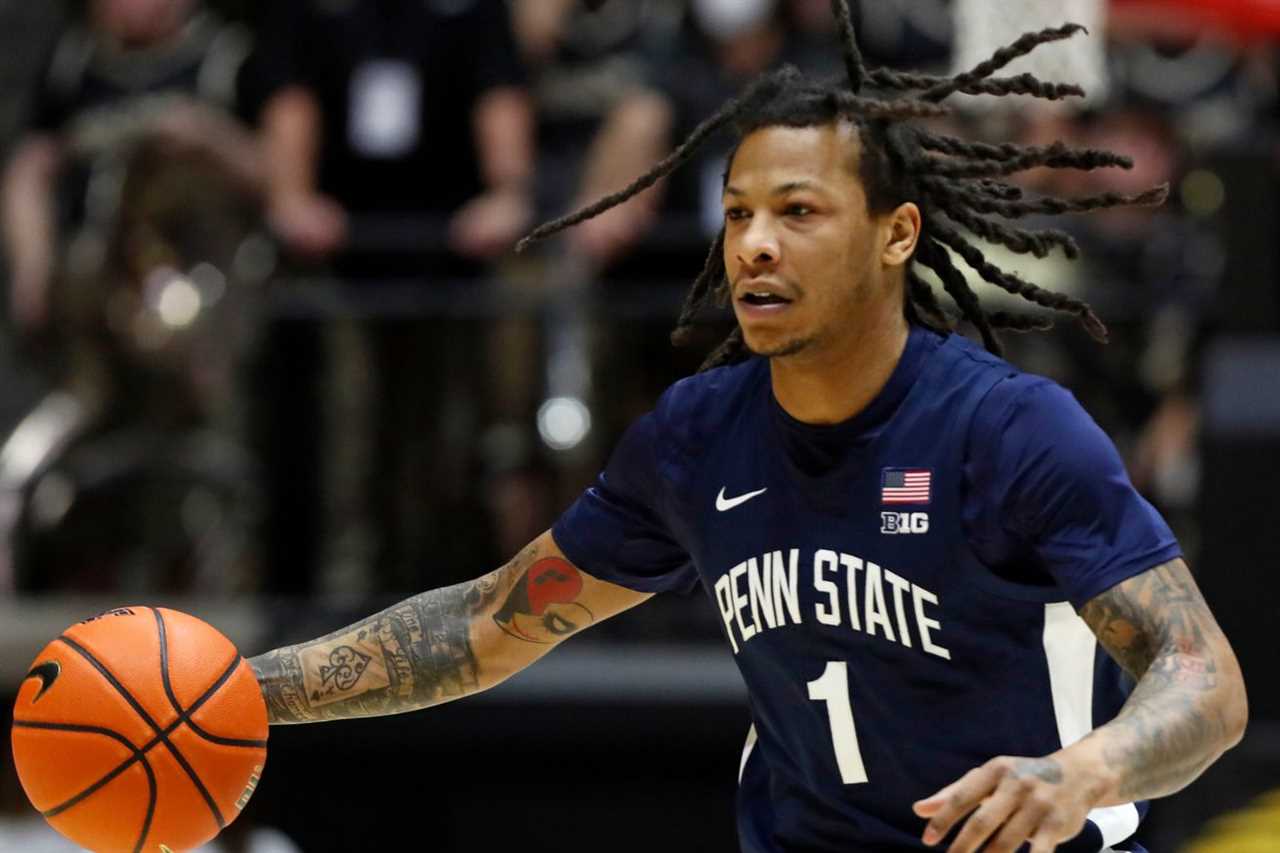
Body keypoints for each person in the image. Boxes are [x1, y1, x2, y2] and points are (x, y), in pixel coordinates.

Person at [247, 4, 1248, 852]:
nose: (755, 245)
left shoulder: (1009, 429)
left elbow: (1203, 682)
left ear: (896, 233)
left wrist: (1081, 770)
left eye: (797, 211)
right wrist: (243, 692)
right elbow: (482, 625)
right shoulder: (694, 436)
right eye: (735, 215)